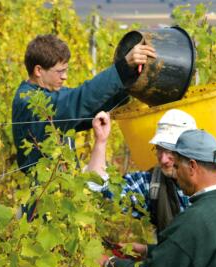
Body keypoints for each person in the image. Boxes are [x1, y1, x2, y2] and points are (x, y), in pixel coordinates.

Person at [88, 109, 216, 267]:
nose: (164, 159)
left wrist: (108, 264)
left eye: (172, 153)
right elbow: (100, 187)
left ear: (192, 162)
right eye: (159, 149)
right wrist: (101, 142)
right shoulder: (154, 183)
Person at [12, 34, 156, 173]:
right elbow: (79, 100)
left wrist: (128, 83)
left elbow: (88, 109)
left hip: (65, 187)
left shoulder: (49, 94)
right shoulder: (29, 102)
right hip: (43, 192)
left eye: (66, 70)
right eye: (60, 71)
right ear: (38, 70)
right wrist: (122, 69)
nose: (65, 77)